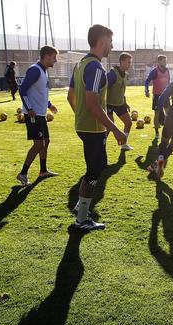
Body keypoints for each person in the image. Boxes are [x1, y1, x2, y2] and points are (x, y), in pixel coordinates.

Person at [67, 24, 127, 231]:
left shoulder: (80, 64)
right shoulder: (95, 67)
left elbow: (70, 97)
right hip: (93, 129)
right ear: (102, 42)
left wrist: (81, 115)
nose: (112, 45)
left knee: (97, 166)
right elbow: (93, 104)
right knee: (94, 170)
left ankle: (79, 207)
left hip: (86, 126)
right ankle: (82, 219)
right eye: (111, 41)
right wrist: (116, 130)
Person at [16, 45, 60, 186]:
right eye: (54, 57)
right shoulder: (35, 70)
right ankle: (23, 173)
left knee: (45, 142)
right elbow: (22, 90)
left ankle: (43, 170)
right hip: (33, 114)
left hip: (41, 114)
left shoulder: (43, 71)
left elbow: (40, 93)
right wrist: (29, 108)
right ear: (46, 56)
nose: (55, 60)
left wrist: (49, 105)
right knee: (38, 145)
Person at [106, 52, 134, 151]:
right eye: (128, 62)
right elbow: (104, 89)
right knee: (109, 126)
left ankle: (123, 144)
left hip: (120, 103)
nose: (130, 64)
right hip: (108, 104)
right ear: (121, 61)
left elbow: (122, 90)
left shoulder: (125, 74)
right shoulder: (112, 73)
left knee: (129, 123)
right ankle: (102, 144)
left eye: (130, 62)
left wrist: (125, 103)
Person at [144, 54, 171, 137]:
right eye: (164, 61)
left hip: (166, 95)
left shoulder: (167, 70)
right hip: (157, 96)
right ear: (159, 62)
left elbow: (169, 83)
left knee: (168, 113)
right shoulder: (154, 71)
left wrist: (170, 92)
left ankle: (168, 130)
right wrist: (146, 90)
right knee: (157, 114)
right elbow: (147, 81)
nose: (165, 63)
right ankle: (156, 132)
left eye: (166, 61)